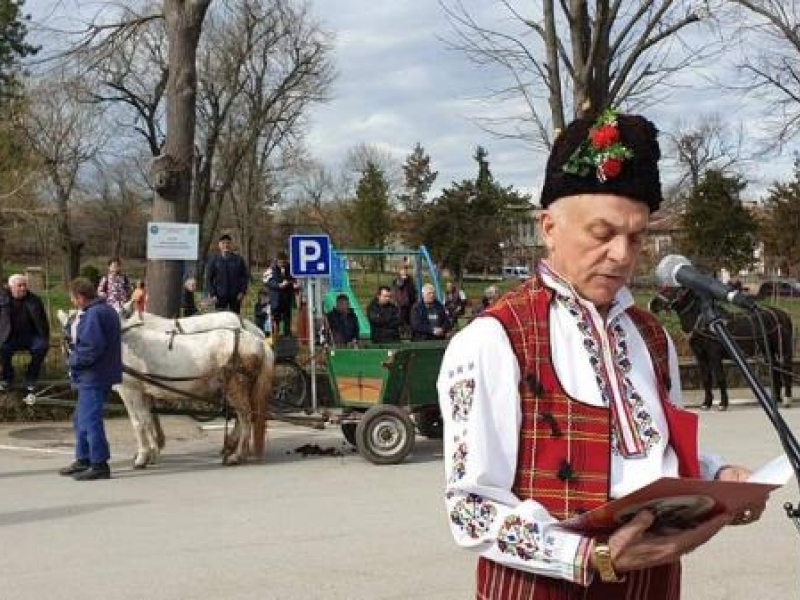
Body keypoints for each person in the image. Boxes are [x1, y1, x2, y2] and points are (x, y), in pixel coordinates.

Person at [436, 109, 764, 599]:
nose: (621, 254)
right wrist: (592, 557)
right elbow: (470, 509)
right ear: (549, 227)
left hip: (652, 585)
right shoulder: (492, 339)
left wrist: (717, 476)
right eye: (602, 233)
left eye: (636, 237)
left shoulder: (651, 336)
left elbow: (653, 454)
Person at [59, 277, 122, 481]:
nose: (72, 302)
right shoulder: (102, 310)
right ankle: (84, 458)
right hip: (97, 373)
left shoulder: (95, 314)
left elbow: (91, 348)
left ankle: (99, 463)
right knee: (81, 418)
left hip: (95, 374)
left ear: (80, 297)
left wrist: (72, 361)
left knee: (90, 420)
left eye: (72, 298)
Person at [0, 274, 50, 398]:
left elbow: (43, 320)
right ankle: (8, 378)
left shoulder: (34, 300)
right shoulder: (2, 300)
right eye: (19, 285)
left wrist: (45, 336)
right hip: (9, 336)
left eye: (25, 285)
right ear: (11, 287)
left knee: (42, 346)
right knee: (3, 349)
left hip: (31, 336)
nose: (23, 288)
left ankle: (30, 378)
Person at [205, 233, 250, 314]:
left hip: (235, 296)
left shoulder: (239, 260)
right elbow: (209, 279)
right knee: (220, 320)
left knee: (234, 319)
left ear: (231, 245)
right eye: (223, 243)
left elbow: (244, 277)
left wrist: (242, 292)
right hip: (219, 297)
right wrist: (212, 294)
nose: (226, 245)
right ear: (219, 245)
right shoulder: (214, 260)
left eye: (228, 243)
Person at [267, 251, 299, 337]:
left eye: (284, 262)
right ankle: (275, 334)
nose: (282, 264)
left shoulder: (291, 268)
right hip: (276, 298)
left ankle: (287, 334)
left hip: (287, 297)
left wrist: (294, 284)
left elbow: (294, 279)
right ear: (277, 261)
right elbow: (268, 281)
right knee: (275, 318)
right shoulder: (271, 268)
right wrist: (278, 285)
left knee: (287, 317)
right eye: (280, 262)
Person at [391, 264, 417, 332]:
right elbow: (400, 285)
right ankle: (402, 331)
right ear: (399, 271)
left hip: (410, 302)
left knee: (410, 319)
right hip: (401, 304)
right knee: (401, 319)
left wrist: (415, 298)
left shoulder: (410, 279)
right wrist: (403, 279)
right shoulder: (397, 279)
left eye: (405, 269)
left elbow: (413, 290)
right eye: (402, 270)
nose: (404, 271)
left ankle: (409, 331)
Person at [254, 269, 272, 335]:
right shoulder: (257, 305)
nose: (263, 297)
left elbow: (270, 314)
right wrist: (263, 311)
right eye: (262, 296)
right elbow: (257, 314)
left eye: (265, 296)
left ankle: (268, 339)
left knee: (268, 328)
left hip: (267, 324)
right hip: (259, 324)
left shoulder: (269, 304)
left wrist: (268, 306)